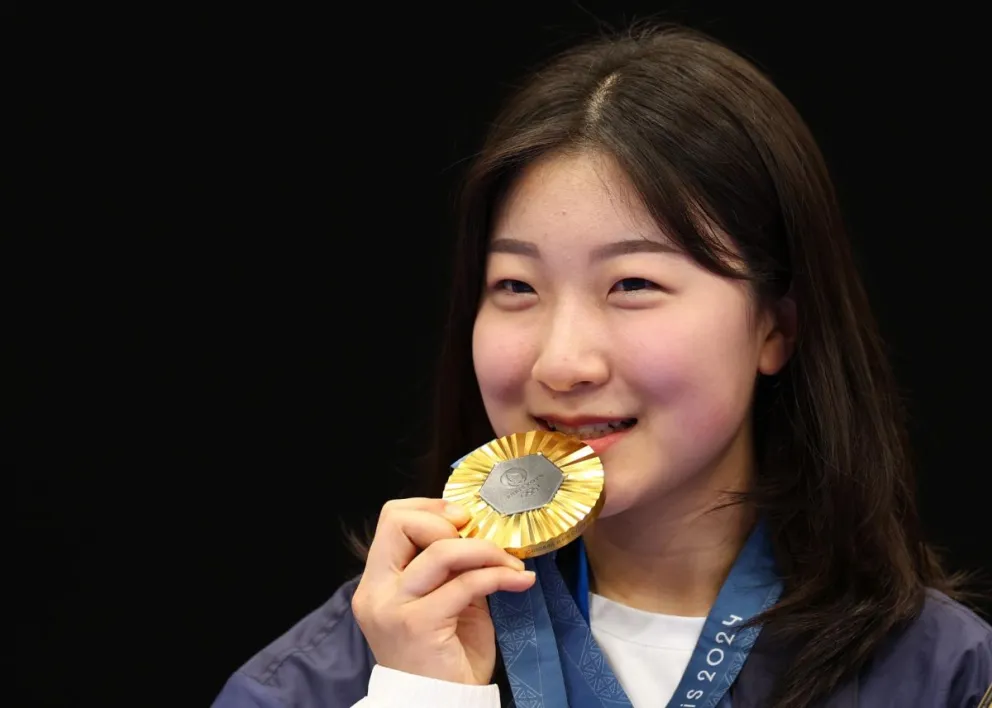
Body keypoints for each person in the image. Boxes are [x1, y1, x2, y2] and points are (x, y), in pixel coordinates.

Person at [211, 23, 992, 708]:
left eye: (633, 285)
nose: (562, 361)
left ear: (776, 327)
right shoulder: (352, 667)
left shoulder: (944, 678)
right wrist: (422, 697)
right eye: (515, 286)